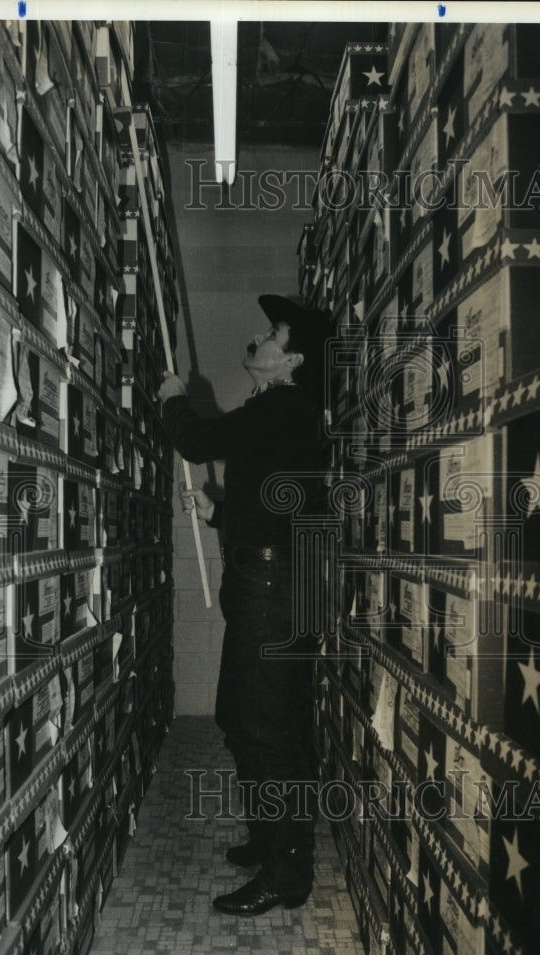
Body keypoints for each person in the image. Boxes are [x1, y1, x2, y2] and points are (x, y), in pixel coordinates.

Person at [158, 294, 332, 916]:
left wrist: (172, 396)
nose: (260, 335)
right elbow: (278, 507)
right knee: (241, 717)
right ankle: (268, 840)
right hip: (277, 583)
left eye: (274, 332)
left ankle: (287, 876)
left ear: (292, 362)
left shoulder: (285, 406)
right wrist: (220, 512)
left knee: (269, 732)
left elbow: (197, 439)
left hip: (273, 590)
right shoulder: (285, 413)